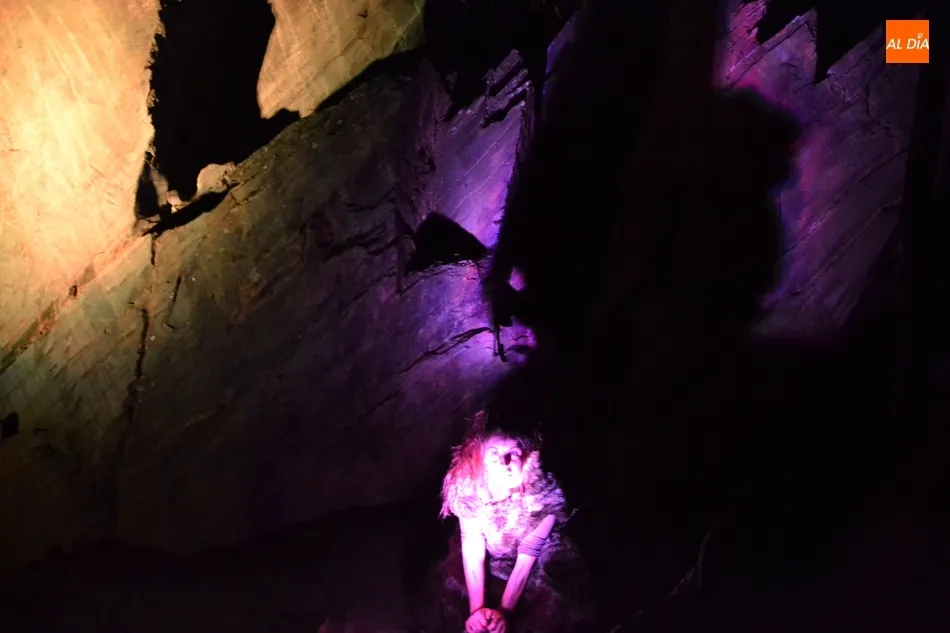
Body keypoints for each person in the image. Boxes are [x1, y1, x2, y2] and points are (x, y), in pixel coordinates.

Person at [433, 412, 591, 633]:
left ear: (526, 458)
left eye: (513, 454)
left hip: (534, 558)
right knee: (453, 584)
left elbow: (527, 556)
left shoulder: (543, 498)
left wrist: (503, 613)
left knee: (554, 599)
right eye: (494, 454)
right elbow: (473, 547)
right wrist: (477, 612)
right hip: (492, 552)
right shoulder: (469, 489)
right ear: (480, 459)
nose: (503, 463)